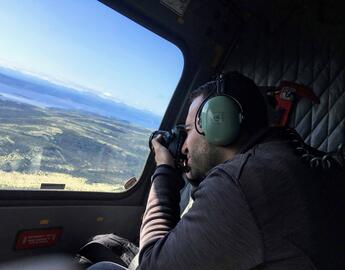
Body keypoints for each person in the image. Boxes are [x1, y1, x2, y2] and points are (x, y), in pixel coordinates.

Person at [88, 72, 344, 270]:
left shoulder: (243, 183)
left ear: (219, 122)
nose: (184, 146)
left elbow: (151, 266)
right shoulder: (279, 159)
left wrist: (165, 170)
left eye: (187, 132)